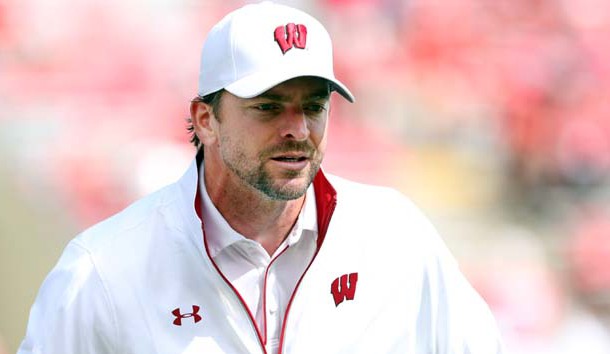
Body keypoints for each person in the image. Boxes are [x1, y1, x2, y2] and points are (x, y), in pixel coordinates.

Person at [18, 2, 504, 353]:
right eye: (268, 107)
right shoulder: (102, 269)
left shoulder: (397, 235)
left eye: (314, 106)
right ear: (206, 119)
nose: (297, 129)